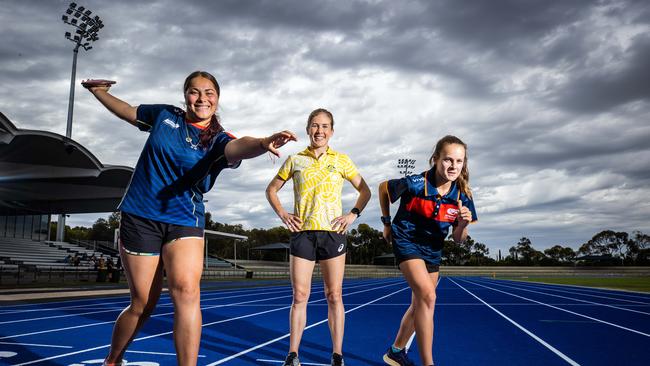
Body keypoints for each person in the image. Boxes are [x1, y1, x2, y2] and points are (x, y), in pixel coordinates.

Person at [83, 70, 297, 366]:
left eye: (209, 92)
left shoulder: (218, 139)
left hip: (184, 218)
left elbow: (239, 145)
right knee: (143, 303)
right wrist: (99, 93)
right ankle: (113, 360)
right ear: (185, 96)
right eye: (195, 92)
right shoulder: (164, 116)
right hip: (141, 215)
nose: (202, 98)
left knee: (187, 292)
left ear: (217, 99)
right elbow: (129, 112)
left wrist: (262, 142)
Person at [266, 108, 371, 366]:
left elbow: (365, 190)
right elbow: (271, 189)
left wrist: (352, 215)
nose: (319, 131)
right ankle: (292, 354)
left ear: (332, 131)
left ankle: (337, 355)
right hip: (303, 234)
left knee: (334, 295)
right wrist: (282, 214)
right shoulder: (295, 160)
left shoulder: (342, 160)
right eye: (315, 125)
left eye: (324, 126)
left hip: (333, 235)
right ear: (308, 129)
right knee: (300, 296)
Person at [378, 135, 477, 366]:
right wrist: (386, 222)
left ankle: (395, 351)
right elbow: (384, 188)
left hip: (433, 249)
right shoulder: (414, 183)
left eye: (459, 161)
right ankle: (428, 363)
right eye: (448, 160)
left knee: (419, 304)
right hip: (407, 240)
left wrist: (462, 225)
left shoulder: (463, 197)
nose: (453, 166)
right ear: (435, 159)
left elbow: (459, 240)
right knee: (429, 297)